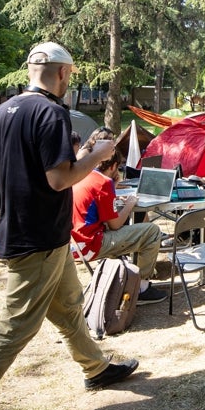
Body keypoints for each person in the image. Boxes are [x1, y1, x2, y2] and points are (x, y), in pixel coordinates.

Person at [0, 42, 141, 410]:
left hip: (36, 236)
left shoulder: (2, 112)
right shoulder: (52, 112)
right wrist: (100, 154)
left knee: (69, 307)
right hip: (37, 240)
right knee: (15, 326)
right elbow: (59, 179)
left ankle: (97, 368)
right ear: (64, 74)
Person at [71, 129, 167, 305]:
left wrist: (113, 191)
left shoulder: (86, 176)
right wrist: (130, 203)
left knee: (137, 231)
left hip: (76, 243)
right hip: (91, 245)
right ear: (114, 166)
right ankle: (141, 288)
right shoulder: (103, 183)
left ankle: (127, 277)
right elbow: (115, 225)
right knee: (152, 231)